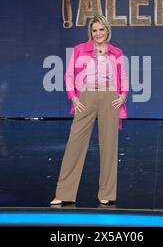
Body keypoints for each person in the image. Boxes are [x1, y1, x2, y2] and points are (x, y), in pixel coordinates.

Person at [50, 15, 129, 206]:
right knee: (74, 144)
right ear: (90, 32)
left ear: (107, 31)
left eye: (102, 29)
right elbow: (69, 76)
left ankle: (107, 193)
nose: (98, 33)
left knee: (109, 146)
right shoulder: (79, 50)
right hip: (85, 98)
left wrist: (123, 96)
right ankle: (64, 193)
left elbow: (123, 77)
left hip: (110, 98)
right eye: (95, 30)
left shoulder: (116, 53)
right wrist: (73, 97)